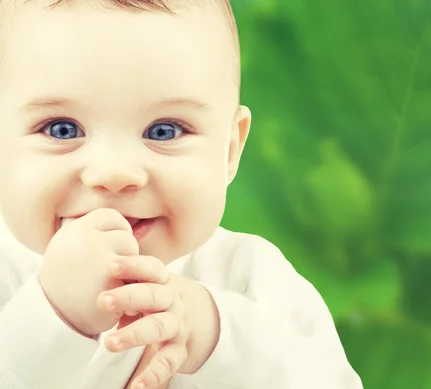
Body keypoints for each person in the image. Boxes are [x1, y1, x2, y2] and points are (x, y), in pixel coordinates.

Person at [0, 1, 363, 388]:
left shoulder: (251, 279)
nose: (115, 173)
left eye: (164, 131)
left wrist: (217, 336)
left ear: (228, 151)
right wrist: (51, 316)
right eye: (61, 129)